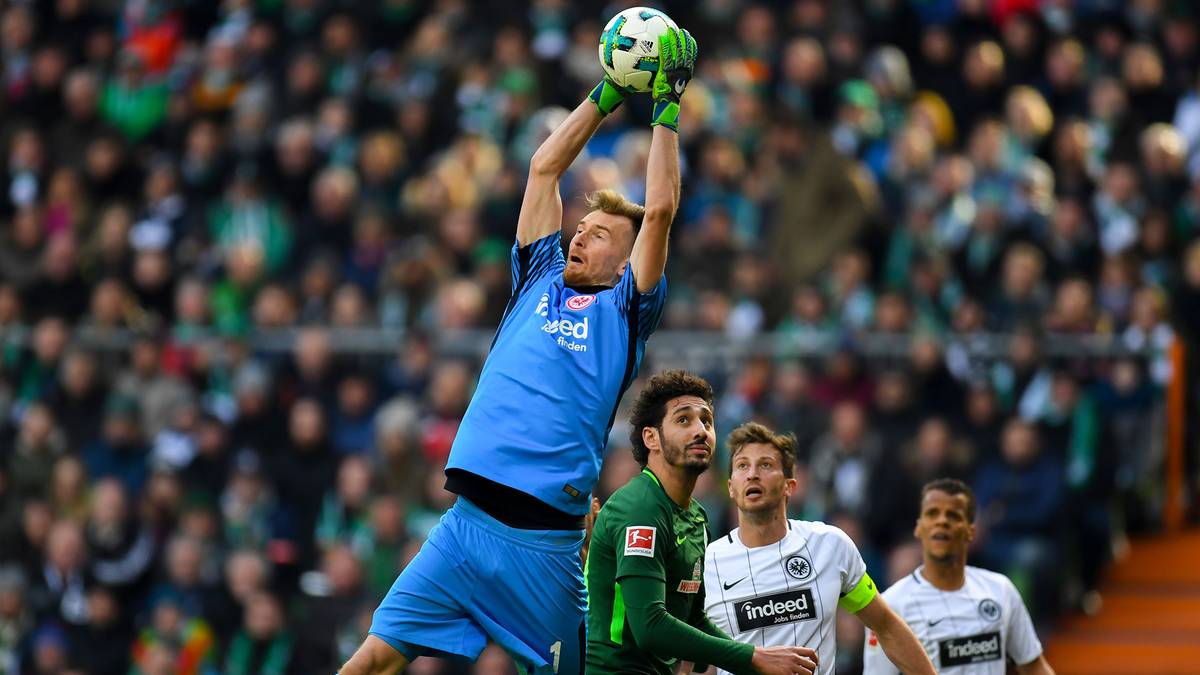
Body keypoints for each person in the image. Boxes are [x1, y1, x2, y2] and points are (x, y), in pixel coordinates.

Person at [340, 25, 699, 675]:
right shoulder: (536, 278)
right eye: (579, 228)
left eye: (597, 234)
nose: (579, 237)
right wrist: (611, 91)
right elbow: (544, 167)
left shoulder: (625, 310)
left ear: (625, 262)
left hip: (544, 548)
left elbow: (662, 211)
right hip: (465, 527)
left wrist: (666, 108)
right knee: (369, 660)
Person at [586, 371, 820, 675]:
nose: (700, 431)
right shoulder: (640, 509)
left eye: (706, 421)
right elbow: (650, 627)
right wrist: (752, 658)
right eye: (684, 420)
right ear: (651, 437)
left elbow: (693, 620)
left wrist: (756, 664)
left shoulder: (695, 516)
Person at [703, 422, 934, 675]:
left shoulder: (829, 546)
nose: (753, 474)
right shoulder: (707, 563)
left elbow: (886, 626)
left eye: (766, 465)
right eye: (742, 466)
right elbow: (695, 662)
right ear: (731, 488)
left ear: (790, 486)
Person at [862, 478, 1055, 674]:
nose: (942, 521)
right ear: (918, 528)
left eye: (953, 515)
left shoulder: (1000, 591)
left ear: (971, 531)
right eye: (932, 513)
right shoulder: (892, 604)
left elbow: (1034, 667)